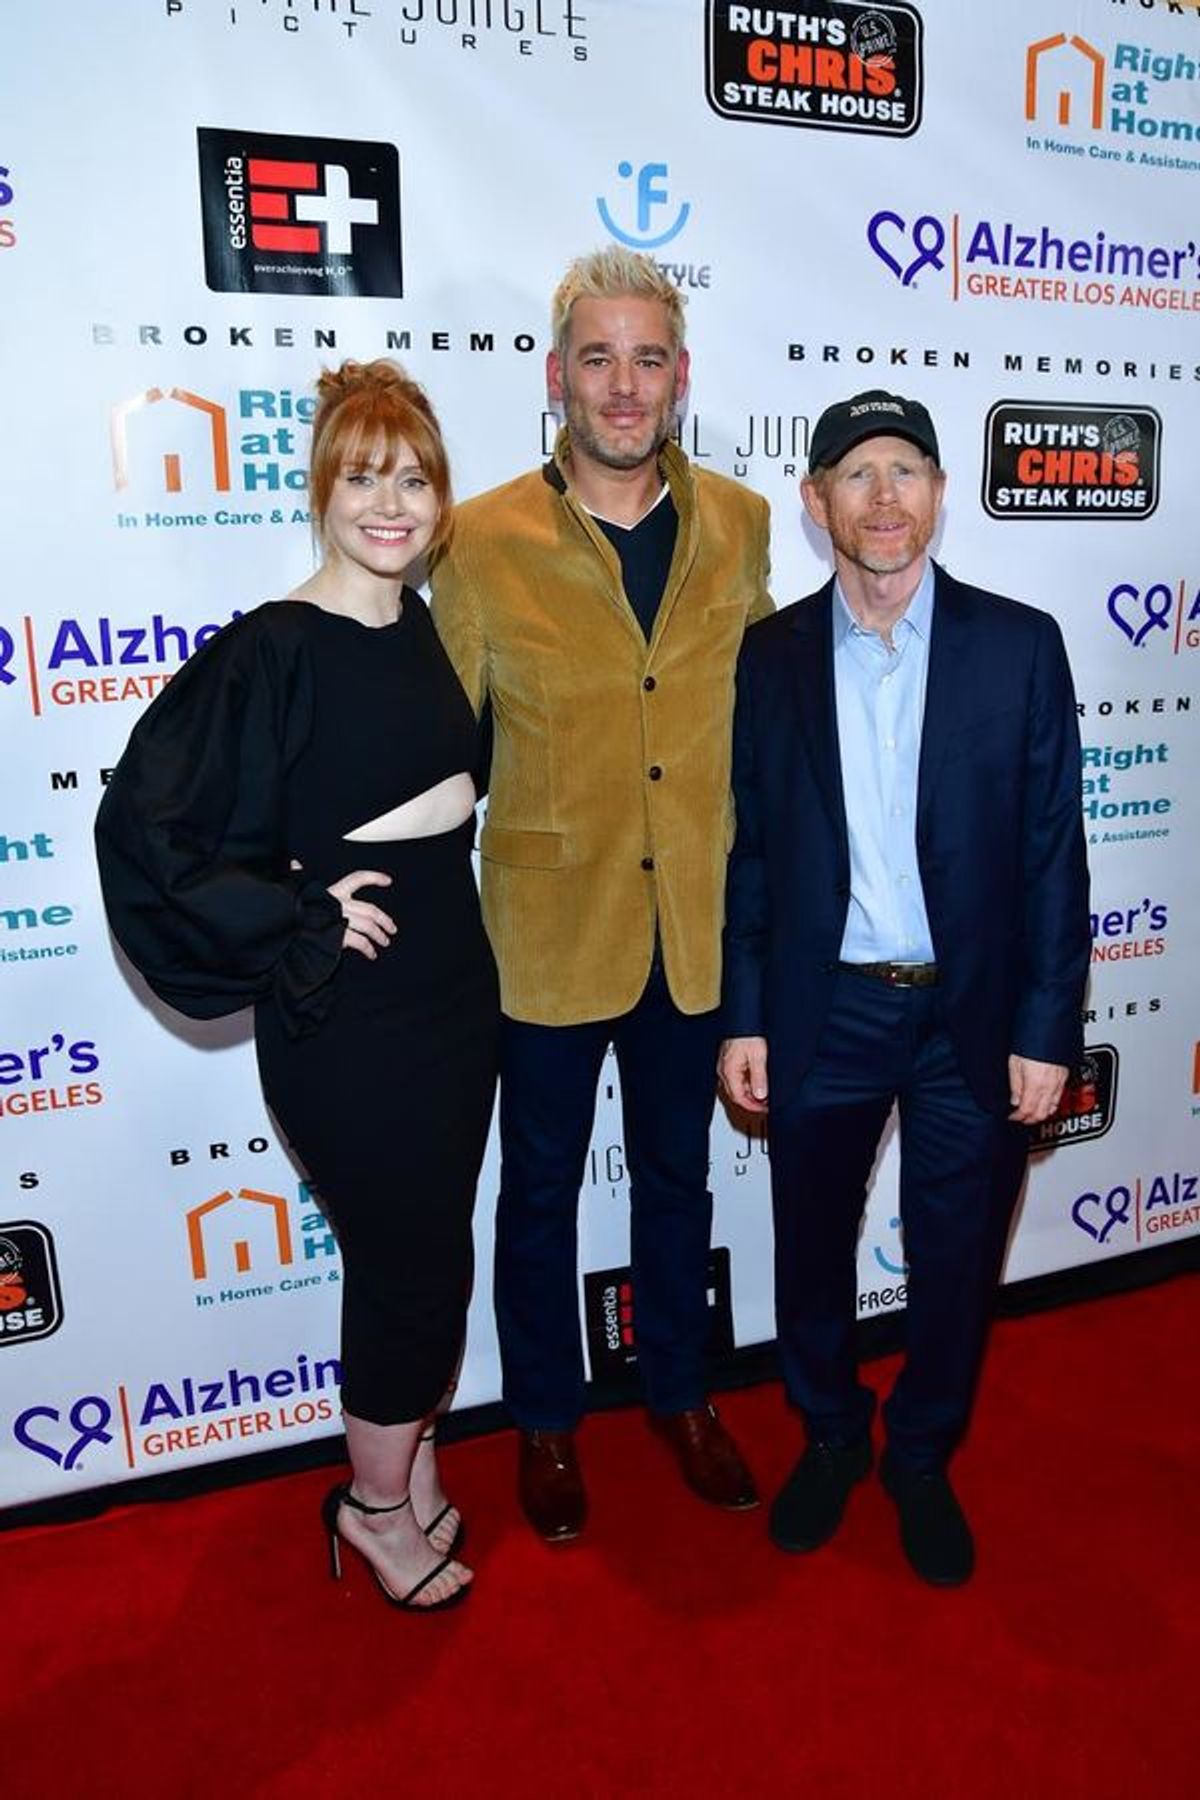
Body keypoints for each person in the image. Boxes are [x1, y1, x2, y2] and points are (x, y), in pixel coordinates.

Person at [96, 360, 499, 1612]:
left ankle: (414, 1460)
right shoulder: (273, 646)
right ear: (321, 488)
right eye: (365, 477)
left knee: (431, 1251)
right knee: (408, 1266)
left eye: (416, 479)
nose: (393, 504)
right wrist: (297, 914)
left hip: (452, 986)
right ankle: (372, 1510)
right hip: (353, 1015)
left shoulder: (424, 619)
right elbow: (143, 828)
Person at [719, 390, 1089, 1586]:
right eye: (856, 475)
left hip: (969, 1021)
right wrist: (747, 1012)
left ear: (939, 491)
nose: (884, 498)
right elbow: (755, 849)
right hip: (827, 1008)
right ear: (814, 501)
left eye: (907, 471)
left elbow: (1051, 852)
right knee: (812, 1247)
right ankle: (831, 1432)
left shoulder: (1019, 644)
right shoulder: (770, 655)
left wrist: (1047, 1028)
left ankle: (921, 1453)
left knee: (956, 1252)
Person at [431, 247, 773, 1541]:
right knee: (538, 1192)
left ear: (681, 378)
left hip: (695, 929)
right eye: (597, 358)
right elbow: (441, 751)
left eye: (646, 360)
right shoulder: (480, 539)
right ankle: (547, 1426)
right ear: (555, 374)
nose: (622, 388)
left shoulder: (739, 524)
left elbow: (765, 731)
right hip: (544, 937)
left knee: (680, 1183)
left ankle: (682, 1398)